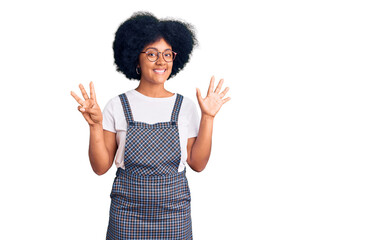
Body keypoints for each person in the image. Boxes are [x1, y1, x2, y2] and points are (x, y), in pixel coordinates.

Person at [70, 12, 230, 239]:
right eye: (152, 54)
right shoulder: (117, 105)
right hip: (126, 215)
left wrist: (209, 118)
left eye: (167, 54)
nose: (161, 61)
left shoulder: (186, 106)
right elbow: (100, 167)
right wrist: (95, 126)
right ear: (136, 57)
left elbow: (198, 164)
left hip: (175, 215)